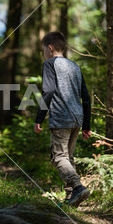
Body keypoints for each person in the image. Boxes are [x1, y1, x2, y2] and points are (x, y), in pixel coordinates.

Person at [34, 31, 92, 207]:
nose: (44, 53)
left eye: (44, 49)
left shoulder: (49, 64)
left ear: (50, 48)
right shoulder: (75, 66)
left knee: (58, 157)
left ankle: (77, 187)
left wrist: (39, 118)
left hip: (61, 117)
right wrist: (86, 125)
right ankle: (70, 198)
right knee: (68, 158)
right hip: (77, 118)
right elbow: (86, 97)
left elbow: (49, 92)